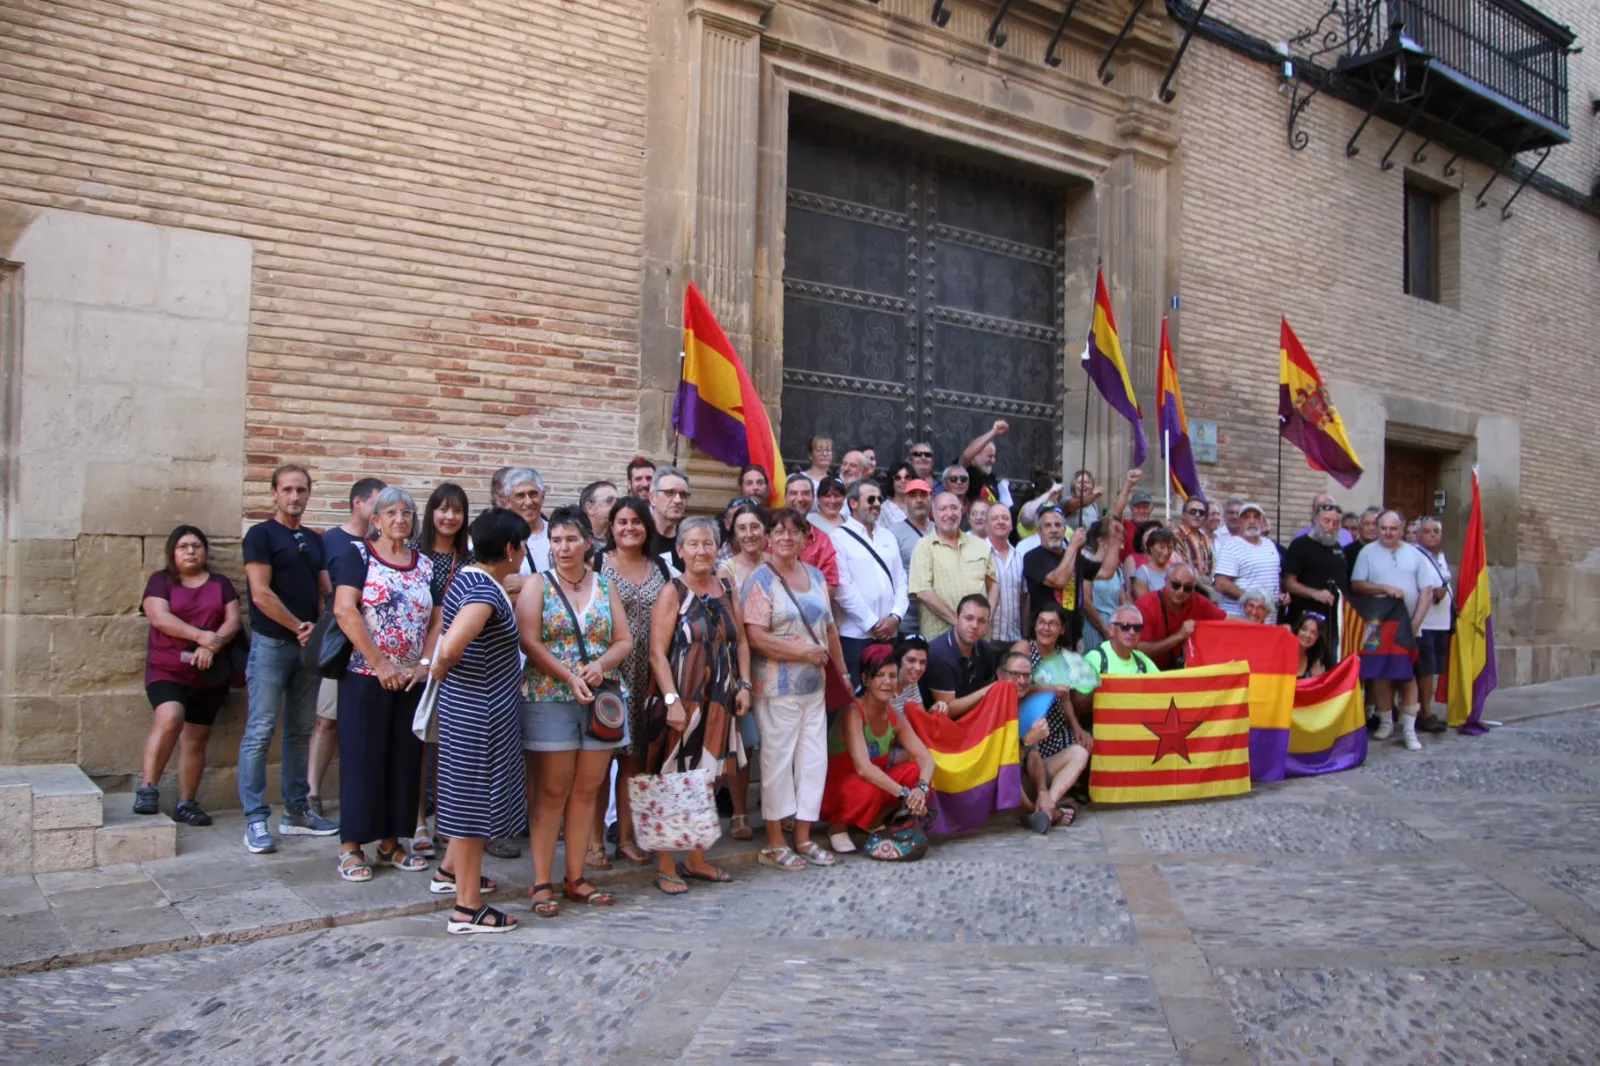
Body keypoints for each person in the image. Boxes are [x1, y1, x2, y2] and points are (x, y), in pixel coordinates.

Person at [517, 506, 635, 915]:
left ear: (588, 542)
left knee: (586, 790)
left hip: (600, 699)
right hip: (549, 697)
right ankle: (540, 881)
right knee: (551, 792)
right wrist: (569, 676)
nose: (562, 547)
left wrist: (600, 666)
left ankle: (576, 877)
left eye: (570, 539)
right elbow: (529, 641)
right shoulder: (538, 584)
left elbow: (623, 640)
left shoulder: (605, 585)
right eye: (555, 540)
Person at [331, 486, 441, 883]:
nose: (400, 519)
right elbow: (345, 610)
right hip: (366, 677)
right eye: (391, 512)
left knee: (404, 762)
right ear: (375, 520)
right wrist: (379, 664)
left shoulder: (424, 564)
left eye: (407, 513)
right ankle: (351, 846)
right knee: (364, 760)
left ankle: (392, 842)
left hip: (410, 681)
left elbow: (437, 618)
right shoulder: (358, 555)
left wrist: (424, 664)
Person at [429, 507, 530, 934]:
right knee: (471, 808)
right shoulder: (483, 591)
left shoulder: (472, 578)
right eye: (522, 545)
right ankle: (467, 909)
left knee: (463, 797)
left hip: (473, 710)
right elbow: (450, 648)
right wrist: (435, 672)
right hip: (479, 715)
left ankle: (452, 872)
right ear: (509, 548)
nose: (524, 553)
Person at [645, 517, 753, 894]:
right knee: (673, 779)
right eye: (692, 544)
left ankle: (695, 858)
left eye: (708, 543)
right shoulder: (672, 591)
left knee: (706, 778)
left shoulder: (725, 587)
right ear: (679, 550)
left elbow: (739, 641)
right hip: (681, 698)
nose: (701, 551)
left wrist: (744, 685)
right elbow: (657, 653)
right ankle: (664, 864)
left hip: (719, 699)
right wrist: (671, 700)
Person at [239, 464, 339, 854]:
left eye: (301, 490)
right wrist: (300, 626)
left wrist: (321, 624)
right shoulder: (261, 535)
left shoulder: (313, 541)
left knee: (300, 731)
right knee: (260, 731)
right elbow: (260, 593)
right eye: (287, 490)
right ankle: (254, 819)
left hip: (307, 649)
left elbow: (322, 589)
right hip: (272, 645)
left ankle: (297, 811)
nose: (294, 497)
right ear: (274, 493)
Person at [742, 508, 847, 871]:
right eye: (779, 531)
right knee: (777, 763)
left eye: (794, 531)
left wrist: (843, 675)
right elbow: (755, 636)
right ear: (769, 537)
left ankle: (803, 837)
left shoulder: (816, 575)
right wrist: (801, 650)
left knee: (814, 763)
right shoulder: (760, 579)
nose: (786, 538)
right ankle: (774, 843)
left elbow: (830, 629)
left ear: (805, 538)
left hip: (814, 689)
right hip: (776, 686)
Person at [136, 526, 241, 825]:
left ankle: (186, 803)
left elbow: (233, 620)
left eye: (196, 545)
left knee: (196, 739)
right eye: (183, 546)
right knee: (170, 717)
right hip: (167, 668)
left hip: (207, 673)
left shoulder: (220, 583)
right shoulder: (161, 581)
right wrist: (202, 637)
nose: (191, 551)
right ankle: (147, 789)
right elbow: (159, 617)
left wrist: (214, 643)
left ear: (205, 551)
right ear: (173, 552)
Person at [593, 496, 671, 866]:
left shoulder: (661, 568)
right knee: (597, 762)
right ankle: (593, 843)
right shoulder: (597, 565)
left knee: (633, 762)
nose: (629, 528)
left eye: (636, 522)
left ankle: (625, 838)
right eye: (622, 522)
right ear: (611, 527)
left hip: (648, 676)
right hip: (608, 675)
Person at [309, 477, 386, 819]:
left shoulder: (385, 545)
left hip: (377, 648)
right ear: (359, 502)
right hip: (340, 643)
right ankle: (312, 793)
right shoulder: (330, 541)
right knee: (327, 719)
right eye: (379, 503)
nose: (385, 513)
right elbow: (319, 589)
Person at [820, 643, 937, 854]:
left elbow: (926, 758)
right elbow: (863, 767)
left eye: (892, 676)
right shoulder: (852, 711)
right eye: (879, 675)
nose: (887, 682)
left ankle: (873, 820)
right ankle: (837, 826)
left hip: (871, 781)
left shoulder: (895, 716)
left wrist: (920, 790)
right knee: (868, 788)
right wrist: (904, 794)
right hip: (837, 788)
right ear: (865, 679)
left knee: (916, 772)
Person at [411, 481, 473, 857]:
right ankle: (418, 820)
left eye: (457, 510)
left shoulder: (469, 559)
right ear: (431, 512)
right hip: (416, 661)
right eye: (442, 508)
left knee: (447, 747)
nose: (449, 517)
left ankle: (447, 823)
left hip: (457, 662)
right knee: (419, 746)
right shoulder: (413, 555)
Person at [1351, 509, 1439, 751]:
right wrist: (1383, 588)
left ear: (1402, 529)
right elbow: (1357, 585)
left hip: (1408, 627)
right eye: (1383, 528)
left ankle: (1409, 730)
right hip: (1377, 625)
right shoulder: (1367, 553)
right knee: (1380, 674)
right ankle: (1386, 722)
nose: (1388, 533)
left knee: (1407, 676)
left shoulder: (1416, 555)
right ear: (1377, 529)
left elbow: (1426, 592)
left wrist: (1415, 624)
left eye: (1393, 528)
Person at [996, 646, 1085, 834]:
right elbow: (1002, 766)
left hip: (1024, 775)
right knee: (1007, 774)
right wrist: (1027, 741)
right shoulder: (994, 705)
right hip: (1000, 781)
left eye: (1026, 675)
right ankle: (1033, 812)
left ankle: (1047, 807)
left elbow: (1033, 755)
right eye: (1015, 674)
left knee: (1079, 752)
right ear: (1000, 674)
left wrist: (1043, 791)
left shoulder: (1026, 703)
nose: (1021, 681)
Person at [830, 477, 908, 683]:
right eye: (870, 499)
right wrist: (872, 623)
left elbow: (901, 581)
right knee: (857, 698)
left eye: (879, 499)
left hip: (890, 634)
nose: (876, 504)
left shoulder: (888, 537)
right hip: (856, 636)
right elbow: (842, 589)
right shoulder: (838, 538)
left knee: (885, 696)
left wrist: (895, 617)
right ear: (853, 503)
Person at [908, 491, 997, 640]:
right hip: (940, 638)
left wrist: (986, 618)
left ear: (962, 511)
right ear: (933, 514)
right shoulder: (924, 546)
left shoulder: (979, 544)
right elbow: (923, 591)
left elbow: (993, 584)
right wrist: (959, 622)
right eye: (943, 509)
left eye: (954, 508)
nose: (949, 513)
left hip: (978, 639)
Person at [1135, 561, 1224, 670]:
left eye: (1187, 588)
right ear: (1166, 581)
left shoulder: (1197, 600)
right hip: (1150, 673)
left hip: (1183, 672)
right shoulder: (1146, 605)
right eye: (1176, 585)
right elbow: (1140, 650)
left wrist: (1250, 621)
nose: (1180, 591)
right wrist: (1179, 636)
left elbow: (1226, 620)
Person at [922, 594, 997, 718]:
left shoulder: (985, 649)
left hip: (973, 719)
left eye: (981, 621)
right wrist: (992, 689)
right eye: (969, 618)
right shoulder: (938, 653)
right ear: (956, 618)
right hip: (939, 725)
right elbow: (947, 711)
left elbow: (985, 696)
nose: (974, 625)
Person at [1414, 516, 1454, 734]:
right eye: (1427, 531)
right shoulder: (1416, 556)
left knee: (1434, 668)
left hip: (1441, 622)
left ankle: (1426, 709)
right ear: (1418, 535)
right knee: (1425, 670)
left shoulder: (1441, 557)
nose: (1431, 535)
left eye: (1435, 532)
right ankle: (1424, 713)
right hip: (1425, 622)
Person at [1283, 499, 1350, 627]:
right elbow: (1289, 583)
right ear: (1316, 520)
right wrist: (1315, 594)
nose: (1331, 527)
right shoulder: (1300, 545)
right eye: (1326, 521)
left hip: (1334, 619)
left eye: (1336, 523)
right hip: (1305, 619)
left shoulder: (1338, 547)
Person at [1022, 506, 1085, 639]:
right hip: (1045, 638)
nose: (1054, 530)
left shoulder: (1072, 554)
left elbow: (1104, 572)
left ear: (1064, 530)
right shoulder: (1033, 557)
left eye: (1058, 525)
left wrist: (1113, 541)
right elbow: (1060, 581)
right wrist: (1073, 546)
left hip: (1074, 636)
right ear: (1039, 532)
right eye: (1048, 525)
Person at [1213, 502, 1282, 621]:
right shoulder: (1231, 546)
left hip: (1267, 620)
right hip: (1239, 619)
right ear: (1240, 522)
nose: (1252, 521)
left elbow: (1273, 576)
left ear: (1262, 521)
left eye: (1256, 517)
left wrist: (1281, 594)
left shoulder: (1269, 544)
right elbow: (1220, 583)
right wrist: (1251, 598)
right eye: (1246, 517)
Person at [890, 477, 935, 635]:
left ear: (931, 499)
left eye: (924, 495)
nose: (919, 500)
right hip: (907, 618)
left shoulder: (940, 531)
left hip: (936, 616)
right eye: (913, 495)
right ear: (905, 500)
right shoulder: (893, 533)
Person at [783, 472, 840, 594]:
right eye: (794, 493)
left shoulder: (822, 539)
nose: (800, 498)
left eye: (805, 493)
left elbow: (830, 584)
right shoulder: (769, 535)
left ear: (813, 498)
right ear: (785, 497)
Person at [1078, 515, 1129, 652]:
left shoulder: (1117, 568)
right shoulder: (1086, 560)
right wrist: (1104, 629)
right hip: (1093, 628)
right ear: (1101, 540)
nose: (1122, 547)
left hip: (1115, 630)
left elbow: (1123, 603)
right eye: (1117, 541)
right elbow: (1086, 601)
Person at [984, 503, 1024, 652]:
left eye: (1005, 518)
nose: (1000, 521)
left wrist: (1024, 633)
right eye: (995, 518)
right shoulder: (978, 554)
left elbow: (1023, 599)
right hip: (987, 638)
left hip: (1014, 637)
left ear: (1011, 525)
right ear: (986, 525)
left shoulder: (1019, 557)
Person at [505, 468, 552, 585]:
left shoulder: (557, 532)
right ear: (508, 501)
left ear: (543, 496)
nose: (528, 502)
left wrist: (524, 583)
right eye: (520, 496)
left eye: (533, 494)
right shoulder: (501, 538)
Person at [1085, 604, 1159, 677]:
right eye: (1125, 626)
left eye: (1137, 628)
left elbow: (1163, 685)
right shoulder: (1096, 658)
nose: (1132, 632)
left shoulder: (1142, 660)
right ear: (1111, 630)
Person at [959, 420, 1015, 508]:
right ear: (975, 455)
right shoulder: (965, 473)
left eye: (994, 456)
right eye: (990, 456)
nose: (993, 460)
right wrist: (993, 433)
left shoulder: (990, 477)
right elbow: (966, 455)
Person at [647, 465, 692, 573]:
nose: (678, 500)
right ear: (653, 498)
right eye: (669, 493)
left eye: (683, 495)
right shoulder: (639, 536)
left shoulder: (689, 537)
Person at [719, 501, 770, 593]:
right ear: (735, 533)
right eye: (742, 528)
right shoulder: (726, 571)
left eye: (754, 527)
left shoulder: (777, 563)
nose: (749, 534)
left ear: (765, 528)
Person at [1172, 495, 1216, 595]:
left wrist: (1211, 580)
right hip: (1184, 589)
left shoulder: (1205, 537)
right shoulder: (1176, 536)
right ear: (1183, 515)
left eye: (1201, 513)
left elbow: (1212, 563)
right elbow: (1182, 564)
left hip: (1205, 590)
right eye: (1193, 511)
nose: (1197, 515)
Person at [890, 635, 934, 714]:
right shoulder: (884, 687)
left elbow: (921, 716)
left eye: (922, 662)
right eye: (911, 660)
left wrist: (934, 710)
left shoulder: (911, 682)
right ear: (898, 661)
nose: (918, 668)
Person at [1131, 527, 1175, 598]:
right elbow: (1144, 603)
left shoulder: (1173, 570)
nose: (1166, 552)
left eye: (1170, 548)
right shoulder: (1142, 573)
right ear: (1151, 548)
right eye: (1162, 547)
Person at [579, 480, 618, 551]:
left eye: (617, 501)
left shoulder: (621, 537)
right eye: (609, 501)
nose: (616, 505)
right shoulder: (577, 539)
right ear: (590, 508)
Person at [1344, 506, 1381, 575]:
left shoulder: (1385, 551)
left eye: (1374, 524)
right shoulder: (1346, 552)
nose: (1371, 528)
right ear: (1359, 527)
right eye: (1367, 524)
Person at [1295, 613, 1331, 679]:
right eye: (1304, 629)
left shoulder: (1315, 662)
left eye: (1314, 633)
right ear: (1297, 630)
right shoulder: (1282, 653)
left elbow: (1319, 685)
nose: (1307, 635)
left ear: (1318, 638)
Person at [879, 461, 915, 527]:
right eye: (897, 478)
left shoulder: (919, 504)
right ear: (891, 482)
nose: (903, 481)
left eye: (907, 477)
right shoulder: (884, 509)